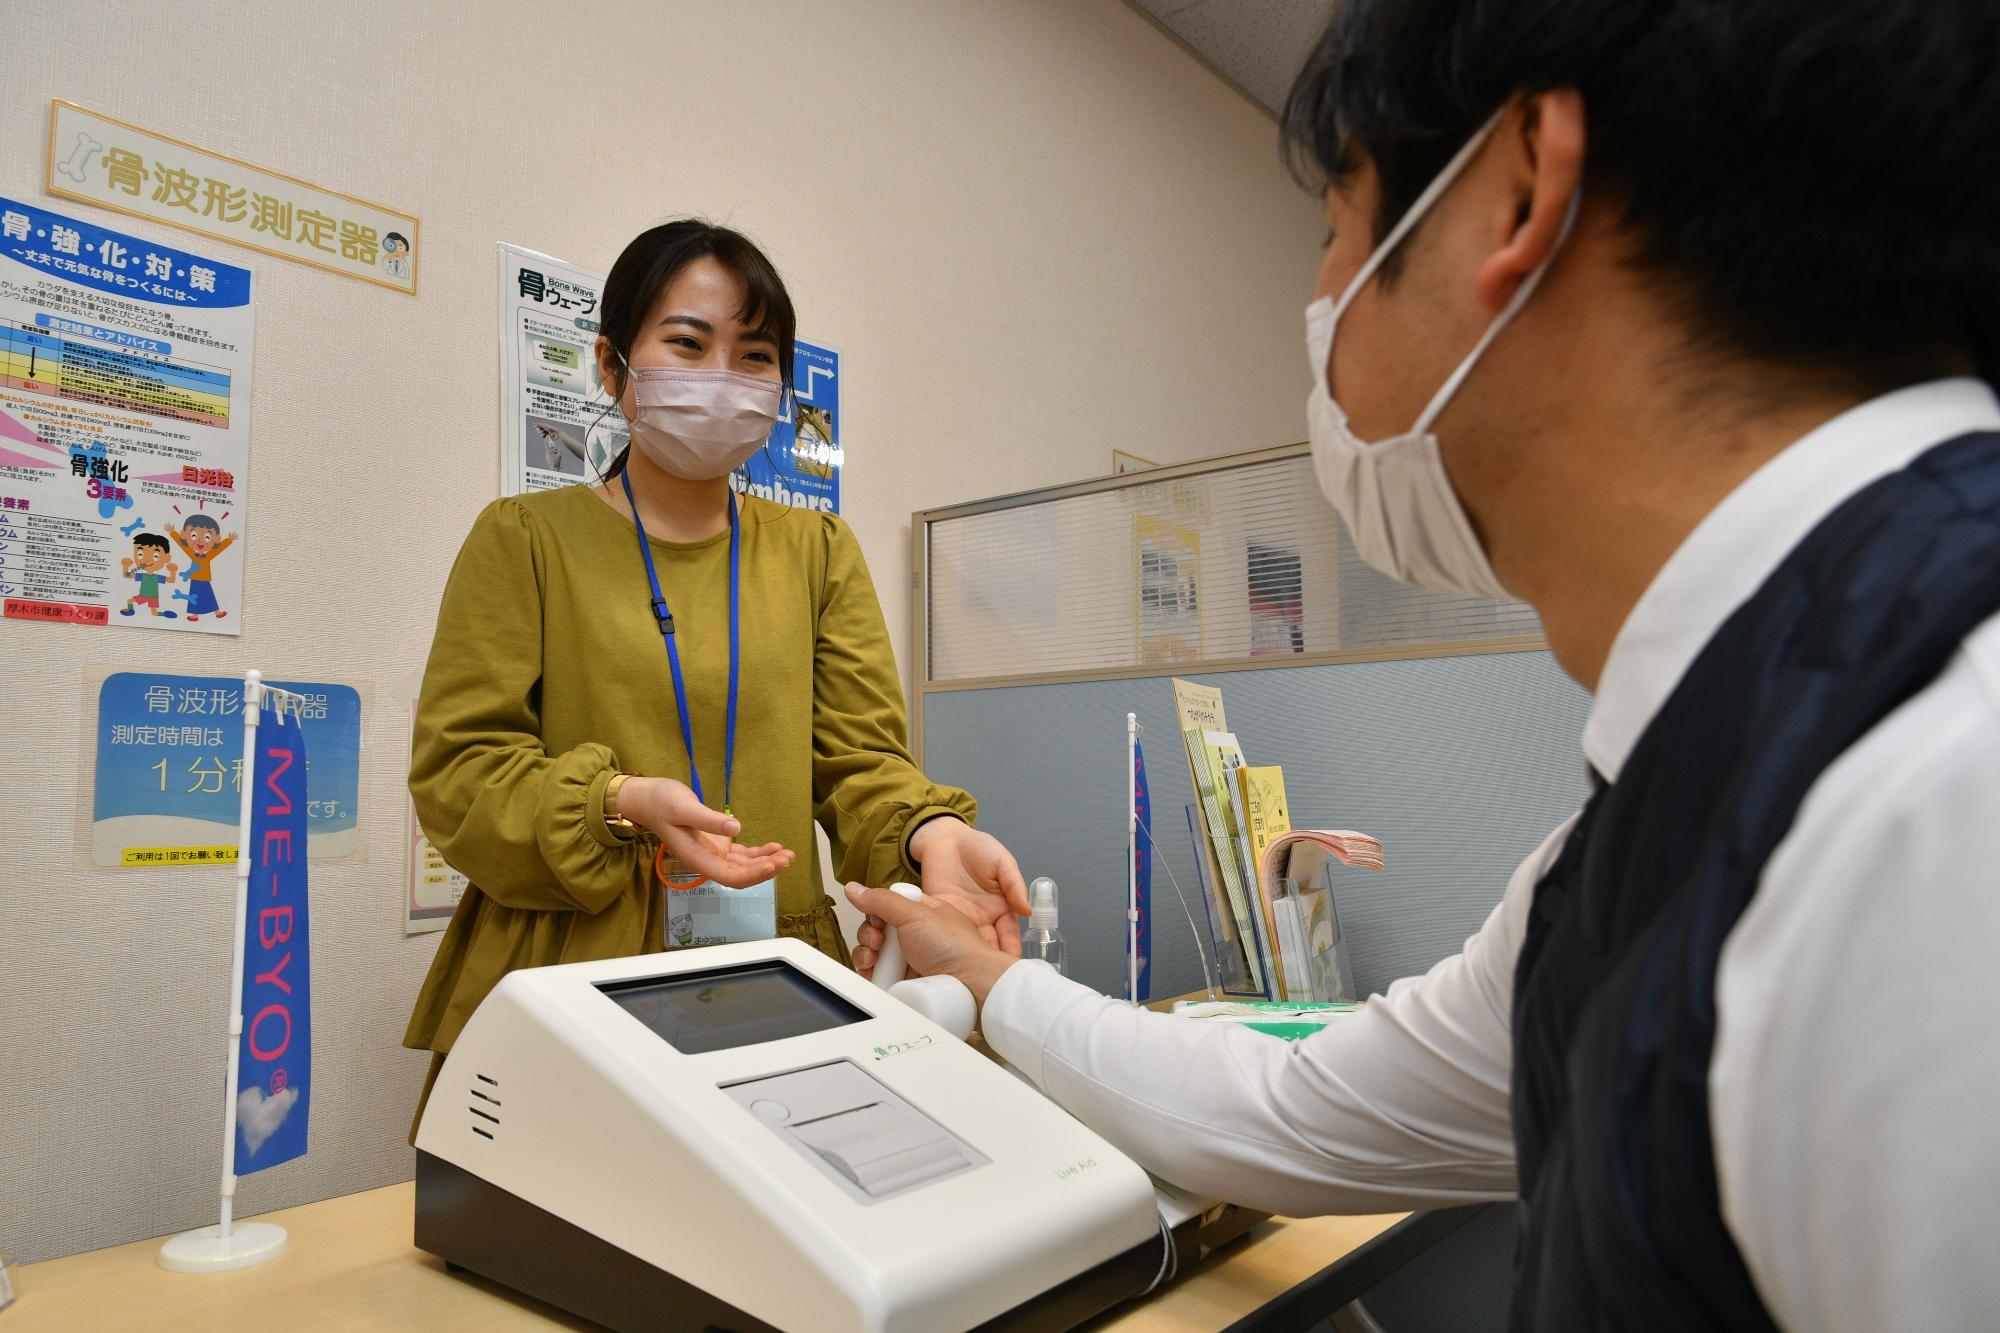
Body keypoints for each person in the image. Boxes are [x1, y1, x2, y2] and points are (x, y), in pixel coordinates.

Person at [849, 3, 2000, 1328]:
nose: (1325, 317)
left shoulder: (1943, 779)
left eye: (1339, 234)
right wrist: (988, 980)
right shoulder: (1684, 798)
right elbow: (1286, 1109)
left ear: (1516, 188)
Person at [405, 221, 1028, 1127]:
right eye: (688, 344)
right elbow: (459, 776)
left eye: (755, 355)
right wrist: (618, 802)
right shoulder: (524, 540)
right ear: (612, 366)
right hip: (572, 967)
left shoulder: (817, 552)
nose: (722, 378)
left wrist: (931, 831)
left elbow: (862, 762)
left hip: (776, 972)